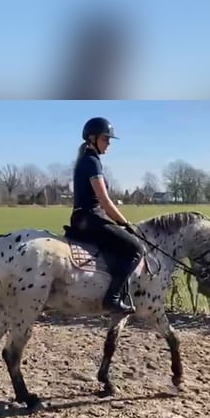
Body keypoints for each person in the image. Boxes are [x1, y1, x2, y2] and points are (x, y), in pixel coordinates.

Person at [69, 116, 143, 315]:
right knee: (136, 248)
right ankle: (112, 298)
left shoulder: (87, 160)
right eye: (105, 138)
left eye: (109, 139)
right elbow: (105, 200)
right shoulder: (92, 162)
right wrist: (124, 222)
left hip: (83, 217)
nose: (108, 143)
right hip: (90, 218)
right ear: (92, 138)